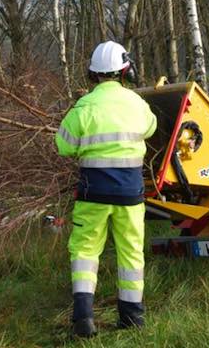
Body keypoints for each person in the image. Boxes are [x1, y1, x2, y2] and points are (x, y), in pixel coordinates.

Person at [55, 41, 158, 337]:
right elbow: (150, 128)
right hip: (130, 194)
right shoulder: (137, 103)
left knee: (85, 251)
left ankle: (84, 318)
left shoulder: (83, 107)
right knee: (131, 252)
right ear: (124, 70)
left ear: (93, 74)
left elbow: (62, 145)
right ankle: (132, 318)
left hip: (93, 193)